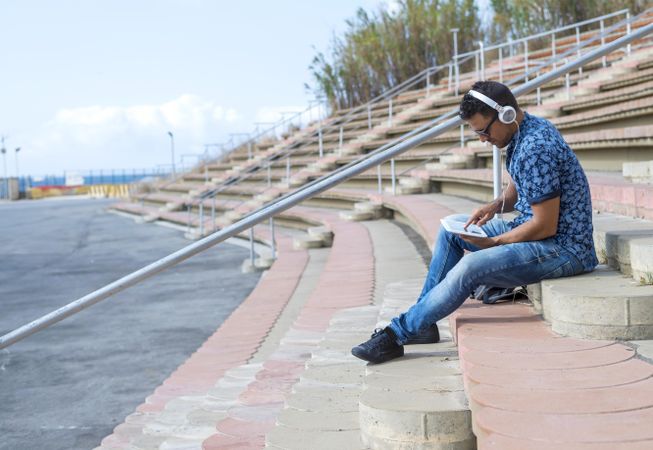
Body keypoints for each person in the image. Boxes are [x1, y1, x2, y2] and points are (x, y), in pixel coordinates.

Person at [352, 80, 599, 364]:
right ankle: (424, 323)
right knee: (452, 227)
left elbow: (545, 226)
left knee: (470, 266)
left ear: (506, 114)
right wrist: (496, 205)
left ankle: (397, 334)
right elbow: (522, 184)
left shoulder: (535, 148)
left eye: (484, 130)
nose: (482, 138)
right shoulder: (524, 131)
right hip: (540, 234)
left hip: (565, 249)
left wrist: (494, 243)